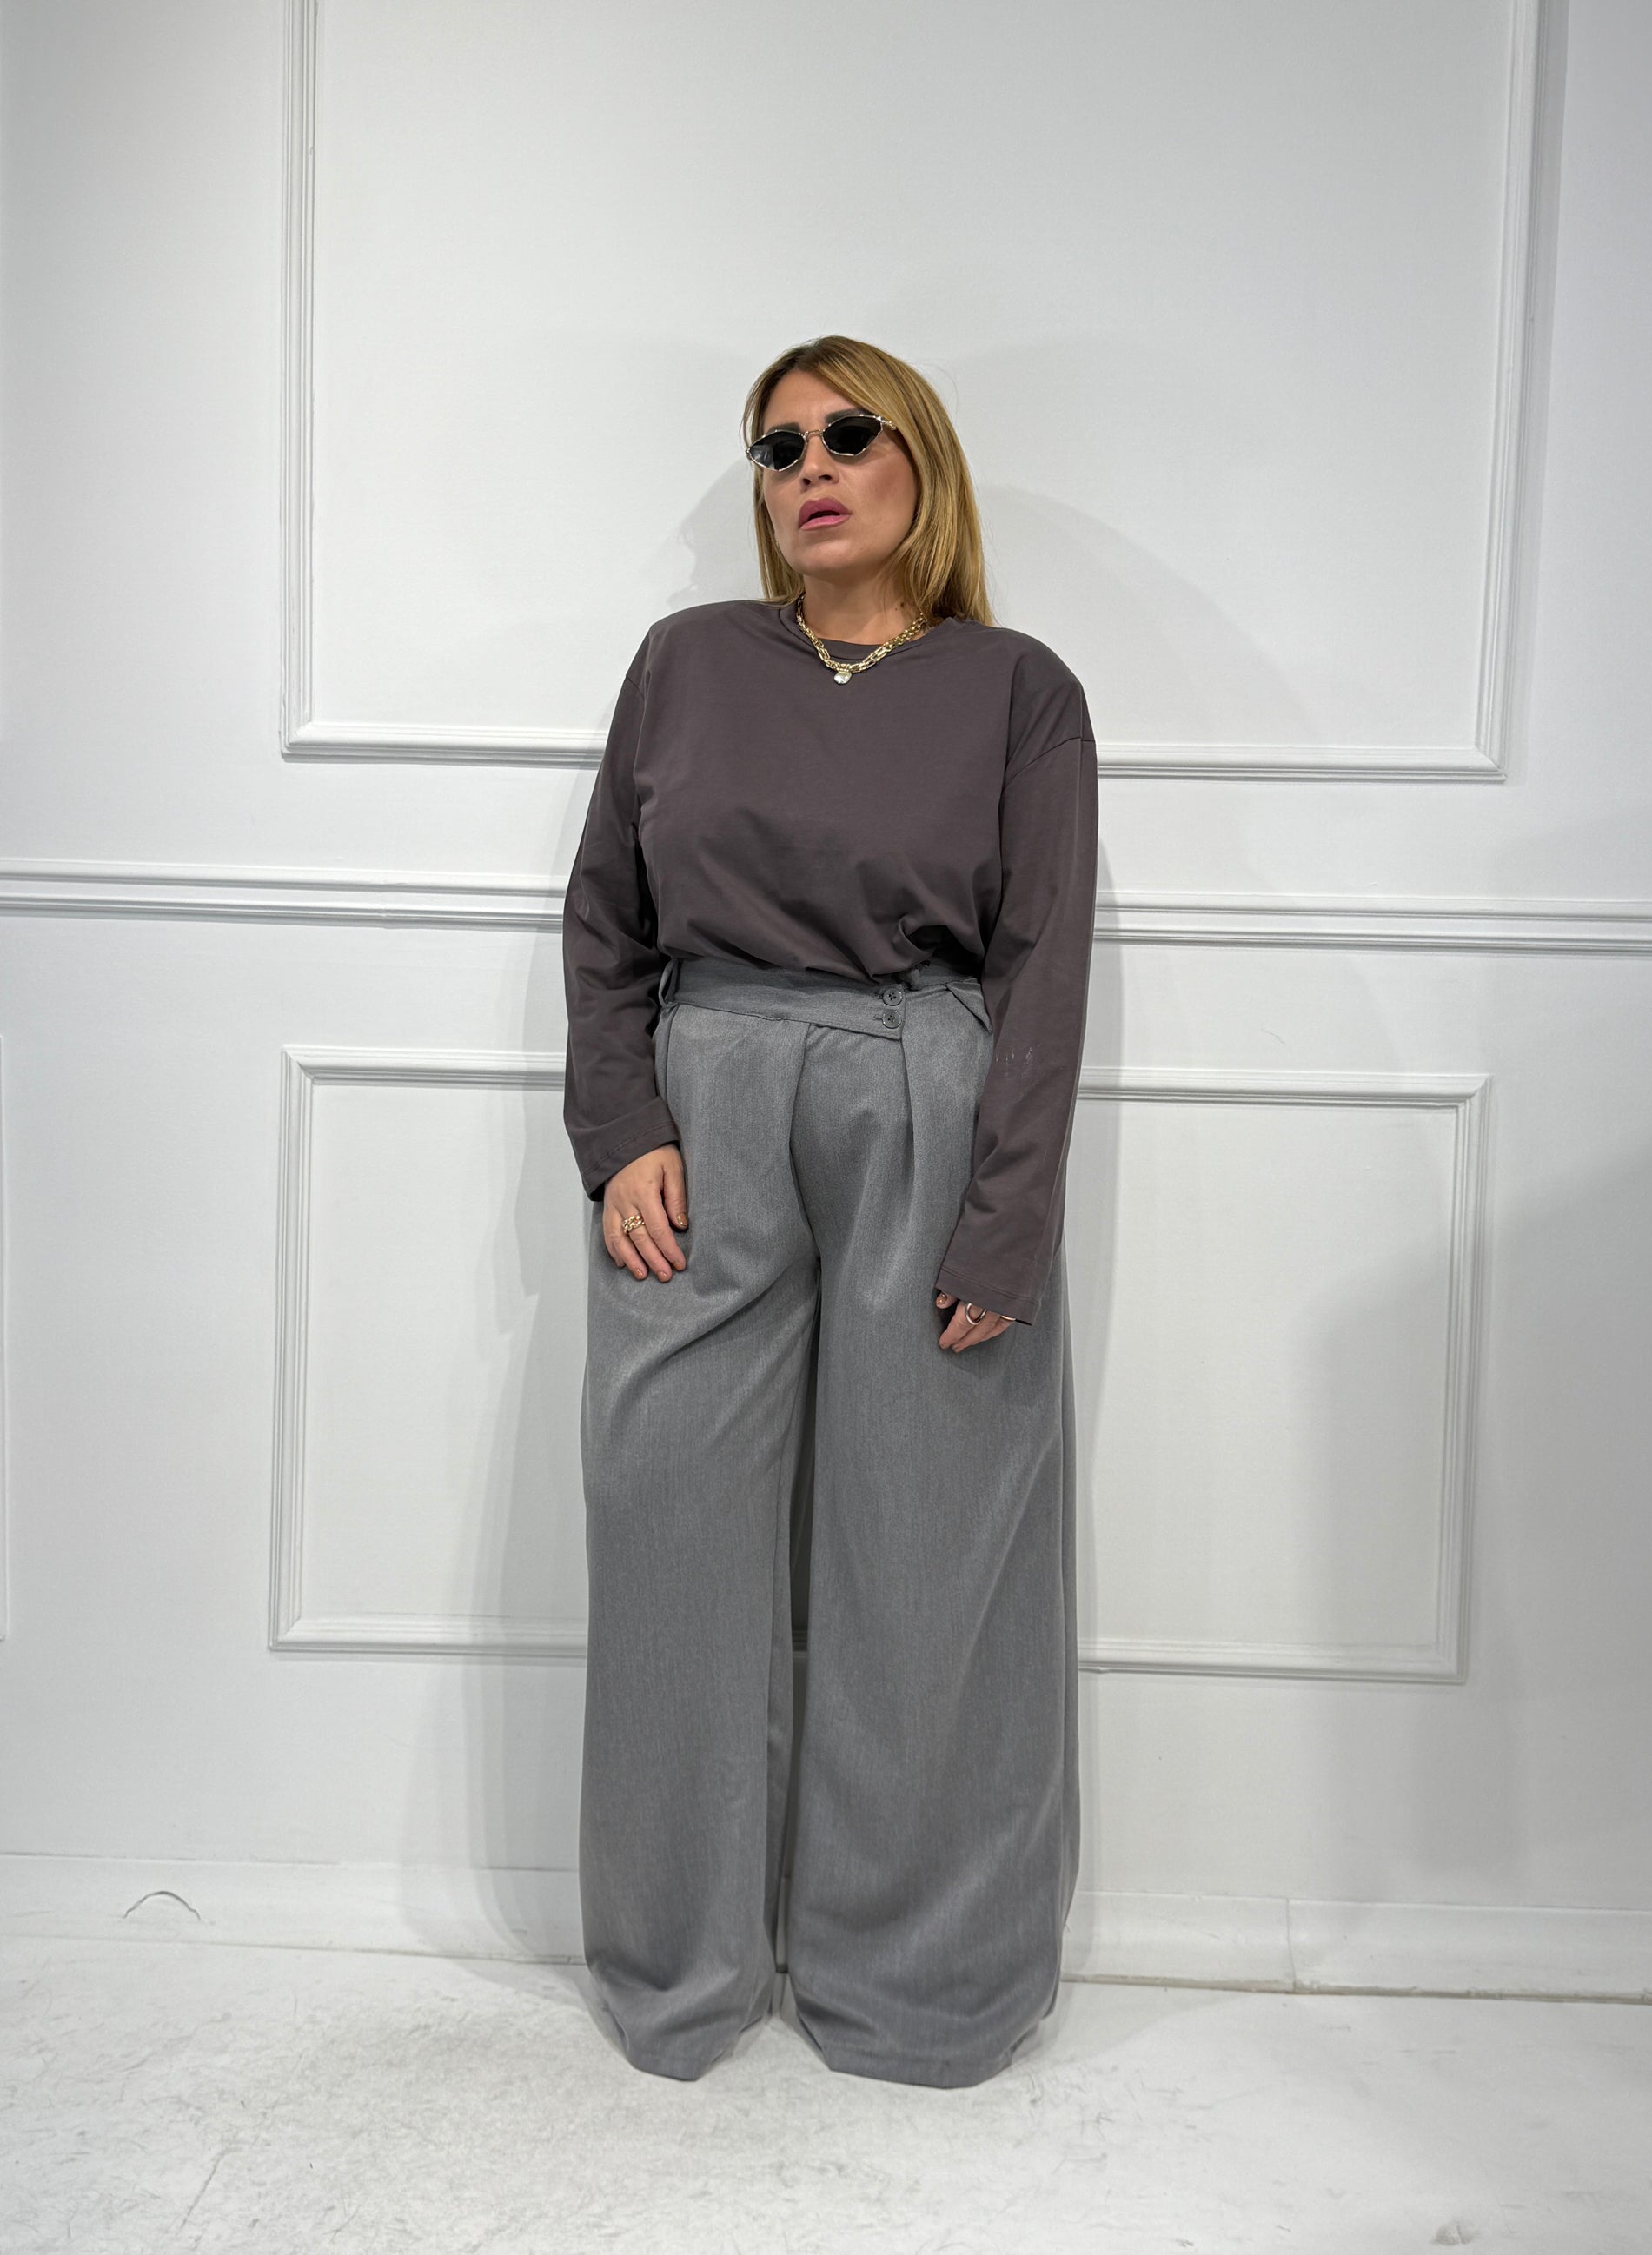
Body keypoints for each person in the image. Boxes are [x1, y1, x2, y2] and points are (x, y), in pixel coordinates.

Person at [560, 333, 1098, 2089]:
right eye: (778, 446)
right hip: (704, 1098)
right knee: (668, 1533)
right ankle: (677, 1968)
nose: (811, 469)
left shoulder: (1015, 688)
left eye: (849, 435)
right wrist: (621, 1125)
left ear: (918, 462)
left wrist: (1006, 1220)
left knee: (929, 1556)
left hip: (926, 1092)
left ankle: (920, 1985)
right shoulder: (686, 663)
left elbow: (1043, 965)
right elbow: (604, 915)